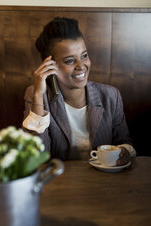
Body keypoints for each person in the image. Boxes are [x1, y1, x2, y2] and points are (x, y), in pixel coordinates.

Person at [23, 16, 136, 163]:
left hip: (104, 180)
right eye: (70, 60)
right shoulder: (37, 96)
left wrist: (125, 152)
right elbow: (35, 158)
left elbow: (125, 143)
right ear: (50, 66)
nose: (81, 66)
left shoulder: (110, 96)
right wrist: (38, 95)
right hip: (59, 182)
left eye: (84, 56)